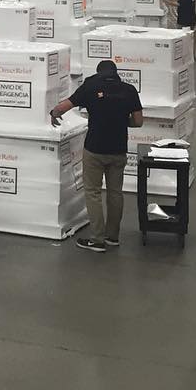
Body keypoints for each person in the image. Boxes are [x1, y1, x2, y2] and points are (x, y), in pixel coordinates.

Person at [50, 59, 143, 253]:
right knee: (115, 192)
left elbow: (63, 107)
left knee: (93, 192)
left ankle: (98, 239)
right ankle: (112, 237)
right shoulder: (129, 90)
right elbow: (138, 121)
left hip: (95, 148)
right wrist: (118, 121)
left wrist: (53, 113)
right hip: (119, 149)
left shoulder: (91, 85)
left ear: (99, 72)